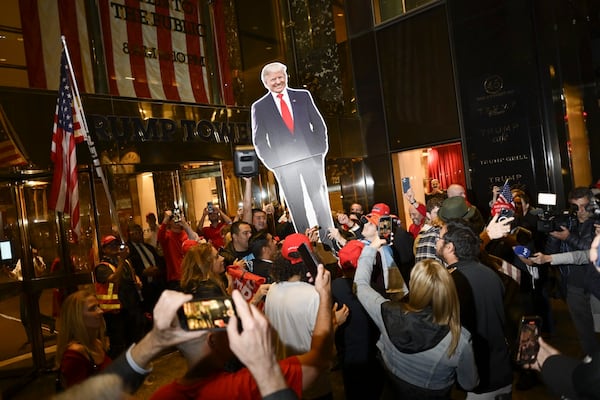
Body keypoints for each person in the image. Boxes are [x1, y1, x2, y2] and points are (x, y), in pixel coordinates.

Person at [150, 264, 335, 400]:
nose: (234, 333)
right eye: (228, 329)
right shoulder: (245, 385)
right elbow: (319, 359)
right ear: (212, 341)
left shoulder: (162, 395)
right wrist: (324, 295)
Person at [355, 236, 478, 399]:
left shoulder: (385, 312)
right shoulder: (460, 338)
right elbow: (469, 383)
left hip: (391, 389)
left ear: (414, 286)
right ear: (448, 290)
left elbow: (360, 285)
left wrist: (371, 248)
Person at [251, 62, 334, 244]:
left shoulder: (303, 96)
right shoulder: (259, 107)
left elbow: (319, 125)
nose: (278, 81)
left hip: (311, 159)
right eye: (273, 79)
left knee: (320, 202)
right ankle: (307, 246)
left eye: (281, 77)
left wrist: (320, 150)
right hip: (285, 166)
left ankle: (330, 243)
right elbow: (259, 141)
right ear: (265, 82)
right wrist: (275, 165)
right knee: (297, 206)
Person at [436, 220, 512, 399]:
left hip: (478, 378)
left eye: (439, 239)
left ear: (450, 247)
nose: (436, 242)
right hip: (502, 370)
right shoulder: (490, 274)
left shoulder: (450, 284)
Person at [545, 187, 600, 356]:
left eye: (584, 206)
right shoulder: (567, 221)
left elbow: (590, 252)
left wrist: (569, 237)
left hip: (595, 288)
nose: (581, 211)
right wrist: (554, 236)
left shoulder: (597, 223)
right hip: (573, 287)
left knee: (599, 329)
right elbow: (551, 254)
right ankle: (591, 361)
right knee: (583, 330)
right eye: (576, 207)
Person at [332, 239, 385, 400]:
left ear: (340, 265)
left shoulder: (333, 287)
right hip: (373, 355)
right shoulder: (374, 290)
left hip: (347, 356)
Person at [94, 235, 144, 358]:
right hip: (115, 312)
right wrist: (121, 260)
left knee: (134, 340)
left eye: (116, 244)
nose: (114, 247)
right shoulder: (102, 267)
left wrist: (137, 280)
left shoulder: (126, 262)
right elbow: (114, 279)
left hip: (130, 307)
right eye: (110, 245)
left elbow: (132, 276)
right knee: (119, 344)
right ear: (104, 249)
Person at [55, 290, 111, 389]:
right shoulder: (74, 355)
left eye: (98, 306)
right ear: (77, 317)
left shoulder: (97, 343)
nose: (100, 311)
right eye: (92, 308)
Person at [127, 223, 165, 315]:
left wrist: (157, 269)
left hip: (156, 284)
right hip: (143, 287)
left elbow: (160, 261)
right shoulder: (128, 250)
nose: (138, 234)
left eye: (139, 231)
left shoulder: (149, 248)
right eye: (134, 232)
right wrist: (142, 273)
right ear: (129, 234)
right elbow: (130, 266)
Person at [158, 209, 199, 290]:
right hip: (175, 278)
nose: (176, 220)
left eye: (178, 217)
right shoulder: (167, 236)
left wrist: (185, 224)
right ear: (170, 221)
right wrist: (165, 219)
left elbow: (195, 241)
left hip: (190, 275)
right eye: (173, 218)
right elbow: (160, 237)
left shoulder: (186, 234)